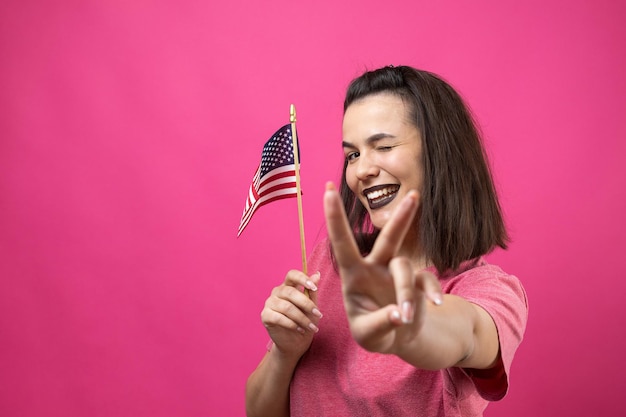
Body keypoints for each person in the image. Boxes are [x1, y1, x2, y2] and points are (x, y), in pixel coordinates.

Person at [245, 65, 528, 417]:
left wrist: (409, 322)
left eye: (383, 146)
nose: (361, 170)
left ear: (439, 153)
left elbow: (467, 332)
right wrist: (285, 351)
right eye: (353, 154)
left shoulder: (488, 290)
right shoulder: (329, 261)